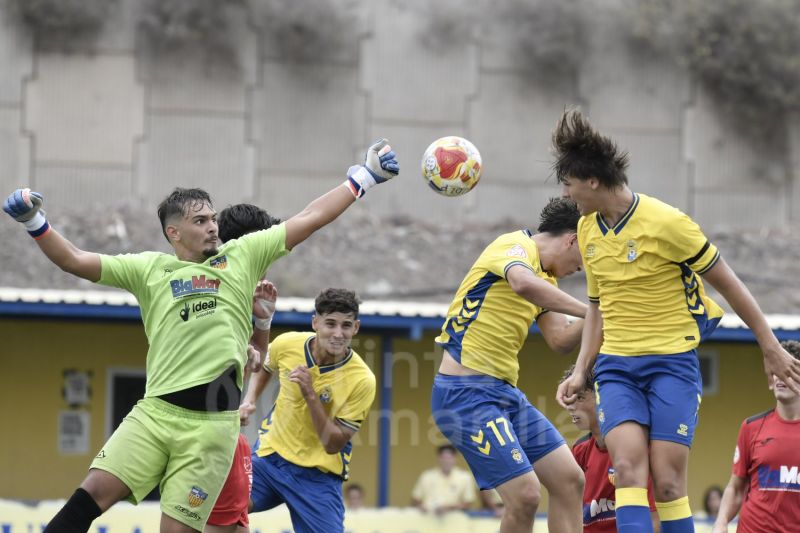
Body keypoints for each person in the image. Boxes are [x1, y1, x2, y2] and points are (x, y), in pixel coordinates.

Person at [3, 139, 399, 533]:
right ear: (174, 232)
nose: (213, 226)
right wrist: (34, 223)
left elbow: (311, 216)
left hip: (211, 430)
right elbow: (74, 260)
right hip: (154, 414)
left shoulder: (242, 256)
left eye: (213, 218)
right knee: (89, 496)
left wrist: (363, 177)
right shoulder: (149, 269)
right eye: (201, 221)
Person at [554, 109, 800, 533]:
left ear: (592, 180)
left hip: (672, 365)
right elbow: (596, 306)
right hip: (617, 369)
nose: (566, 192)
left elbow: (731, 285)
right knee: (628, 472)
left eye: (569, 182)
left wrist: (771, 346)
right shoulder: (588, 230)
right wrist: (580, 371)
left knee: (667, 485)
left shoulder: (668, 223)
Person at [432, 197, 588, 533]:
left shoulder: (549, 282)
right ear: (571, 239)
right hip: (464, 394)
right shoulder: (514, 245)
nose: (583, 266)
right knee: (526, 495)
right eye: (584, 255)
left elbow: (559, 340)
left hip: (504, 394)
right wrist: (590, 311)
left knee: (570, 478)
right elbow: (522, 283)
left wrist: (602, 314)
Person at [239, 288, 376, 533]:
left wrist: (311, 395)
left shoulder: (362, 380)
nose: (338, 333)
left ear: (356, 328)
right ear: (315, 322)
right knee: (224, 510)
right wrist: (250, 400)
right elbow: (267, 367)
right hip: (270, 459)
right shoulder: (287, 343)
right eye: (330, 324)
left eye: (346, 326)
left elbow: (333, 444)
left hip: (317, 477)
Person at [206, 203, 282, 533]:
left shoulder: (239, 292)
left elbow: (255, 361)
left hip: (228, 431)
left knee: (238, 526)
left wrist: (262, 319)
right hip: (204, 433)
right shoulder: (210, 288)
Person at [712, 340, 800, 533]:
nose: (779, 377)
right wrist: (721, 522)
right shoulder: (751, 427)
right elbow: (735, 488)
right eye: (775, 371)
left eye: (787, 371)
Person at [561, 365, 660, 532]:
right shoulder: (579, 451)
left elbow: (655, 522)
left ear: (603, 397)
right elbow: (568, 512)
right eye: (569, 398)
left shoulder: (639, 450)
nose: (570, 406)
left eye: (580, 398)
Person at [411, 445, 477, 514]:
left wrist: (447, 508)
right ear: (438, 458)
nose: (446, 461)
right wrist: (421, 507)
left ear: (455, 459)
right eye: (443, 458)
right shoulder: (426, 476)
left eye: (449, 458)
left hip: (455, 520)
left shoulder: (465, 477)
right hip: (428, 518)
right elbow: (415, 500)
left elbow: (468, 504)